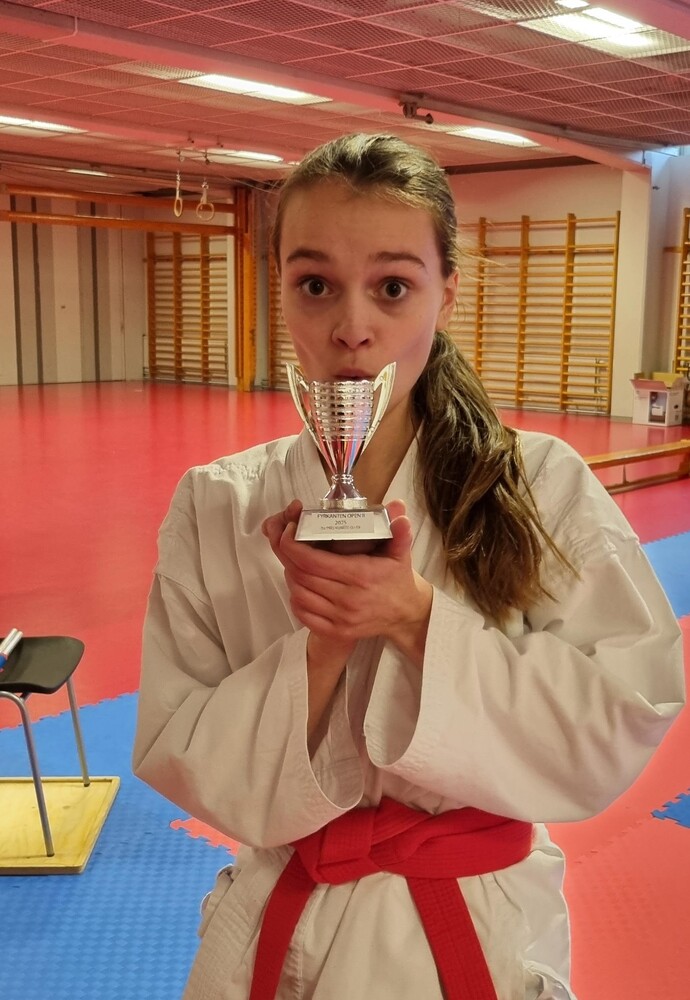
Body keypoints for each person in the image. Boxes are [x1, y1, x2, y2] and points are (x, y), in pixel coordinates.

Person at [133, 133, 685, 1000]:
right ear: (279, 288)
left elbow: (621, 713)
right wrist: (322, 651)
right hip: (279, 917)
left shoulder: (541, 486)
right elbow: (179, 746)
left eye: (393, 286)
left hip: (471, 923)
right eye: (316, 284)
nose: (352, 327)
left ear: (445, 292)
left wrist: (417, 619)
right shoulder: (216, 503)